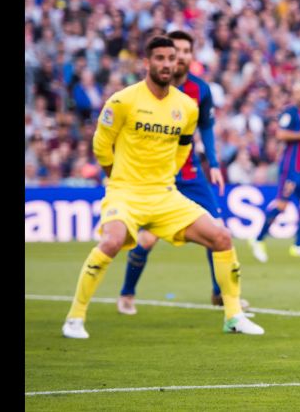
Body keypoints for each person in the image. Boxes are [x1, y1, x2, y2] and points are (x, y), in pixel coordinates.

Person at [61, 36, 263, 339]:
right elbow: (101, 144)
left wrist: (168, 175)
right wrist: (114, 176)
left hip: (165, 195)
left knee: (221, 236)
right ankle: (75, 318)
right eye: (160, 58)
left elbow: (184, 148)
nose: (167, 64)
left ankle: (233, 316)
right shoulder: (123, 100)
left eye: (171, 58)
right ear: (147, 63)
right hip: (125, 193)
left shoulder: (186, 107)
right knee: (112, 242)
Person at [116, 30, 247, 314]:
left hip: (191, 175)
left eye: (187, 51)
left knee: (218, 231)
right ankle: (127, 293)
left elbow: (207, 128)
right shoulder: (147, 92)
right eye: (176, 52)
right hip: (158, 177)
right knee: (147, 240)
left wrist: (213, 164)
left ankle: (220, 294)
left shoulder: (200, 90)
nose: (181, 57)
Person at [249, 81, 300, 263]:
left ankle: (298, 245)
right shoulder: (290, 113)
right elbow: (280, 135)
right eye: (299, 92)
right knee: (281, 206)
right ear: (294, 95)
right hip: (290, 167)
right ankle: (258, 239)